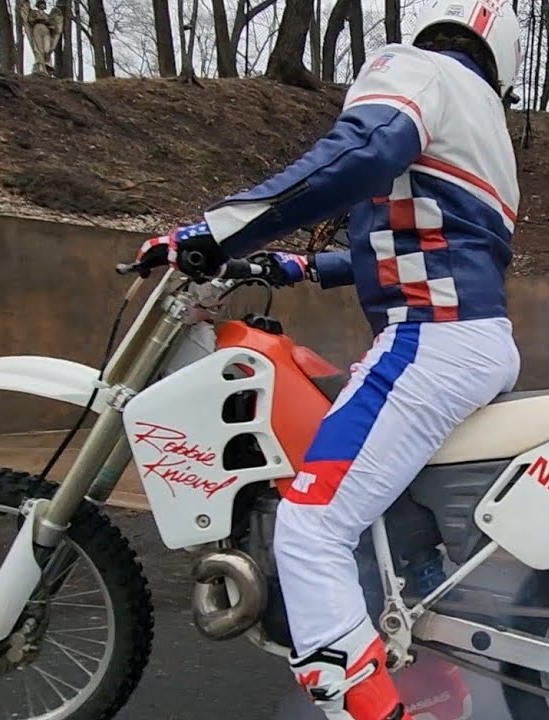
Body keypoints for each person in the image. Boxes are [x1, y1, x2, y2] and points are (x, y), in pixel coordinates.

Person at [135, 1, 524, 718]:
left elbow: (358, 153)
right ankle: (436, 686)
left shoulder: (417, 71)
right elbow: (430, 239)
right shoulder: (487, 125)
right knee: (396, 547)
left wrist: (215, 232)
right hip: (470, 339)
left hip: (427, 340)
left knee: (311, 526)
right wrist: (300, 267)